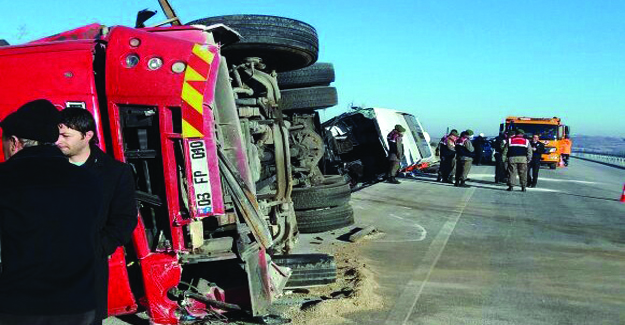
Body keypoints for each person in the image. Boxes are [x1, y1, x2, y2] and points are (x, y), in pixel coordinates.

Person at [0, 100, 103, 324]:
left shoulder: (5, 179)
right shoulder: (88, 180)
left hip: (18, 305)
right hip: (78, 304)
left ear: (15, 142)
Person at [57, 107, 138, 323]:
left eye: (65, 136)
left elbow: (125, 219)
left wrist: (98, 248)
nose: (58, 141)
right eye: (56, 135)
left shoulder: (115, 173)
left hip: (89, 271)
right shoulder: (46, 168)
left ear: (87, 136)